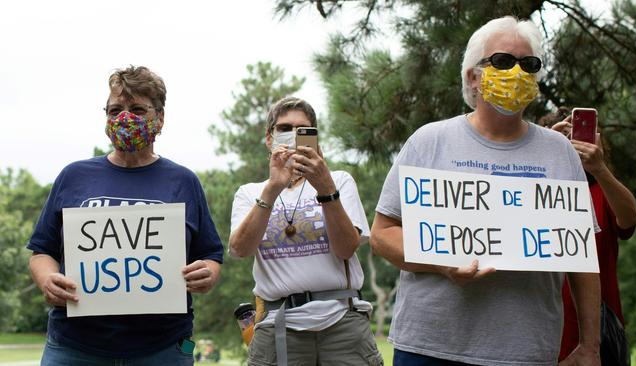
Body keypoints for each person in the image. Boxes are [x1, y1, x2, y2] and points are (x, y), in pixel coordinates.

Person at [370, 16, 601, 366]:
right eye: (503, 62)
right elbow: (382, 234)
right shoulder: (428, 141)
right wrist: (442, 262)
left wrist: (590, 347)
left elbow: (583, 259)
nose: (518, 72)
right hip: (429, 348)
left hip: (524, 352)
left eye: (529, 64)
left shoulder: (560, 152)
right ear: (472, 76)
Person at [27, 66, 223, 365]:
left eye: (137, 109)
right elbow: (42, 250)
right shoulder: (74, 176)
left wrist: (207, 273)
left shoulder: (183, 181)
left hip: (163, 347)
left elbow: (210, 254)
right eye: (115, 110)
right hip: (74, 345)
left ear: (159, 118)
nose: (124, 118)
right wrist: (47, 280)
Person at [229, 96, 383, 366]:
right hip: (278, 323)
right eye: (284, 128)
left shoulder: (340, 181)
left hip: (341, 321)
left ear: (315, 138)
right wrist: (273, 188)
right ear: (269, 138)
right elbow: (240, 249)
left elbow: (346, 248)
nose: (293, 136)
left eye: (303, 130)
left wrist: (325, 188)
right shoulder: (249, 192)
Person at [548, 114, 636, 361]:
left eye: (579, 136)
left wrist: (599, 169)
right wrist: (545, 152)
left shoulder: (600, 190)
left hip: (598, 335)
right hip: (544, 328)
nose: (572, 145)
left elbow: (629, 219)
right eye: (563, 139)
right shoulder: (540, 194)